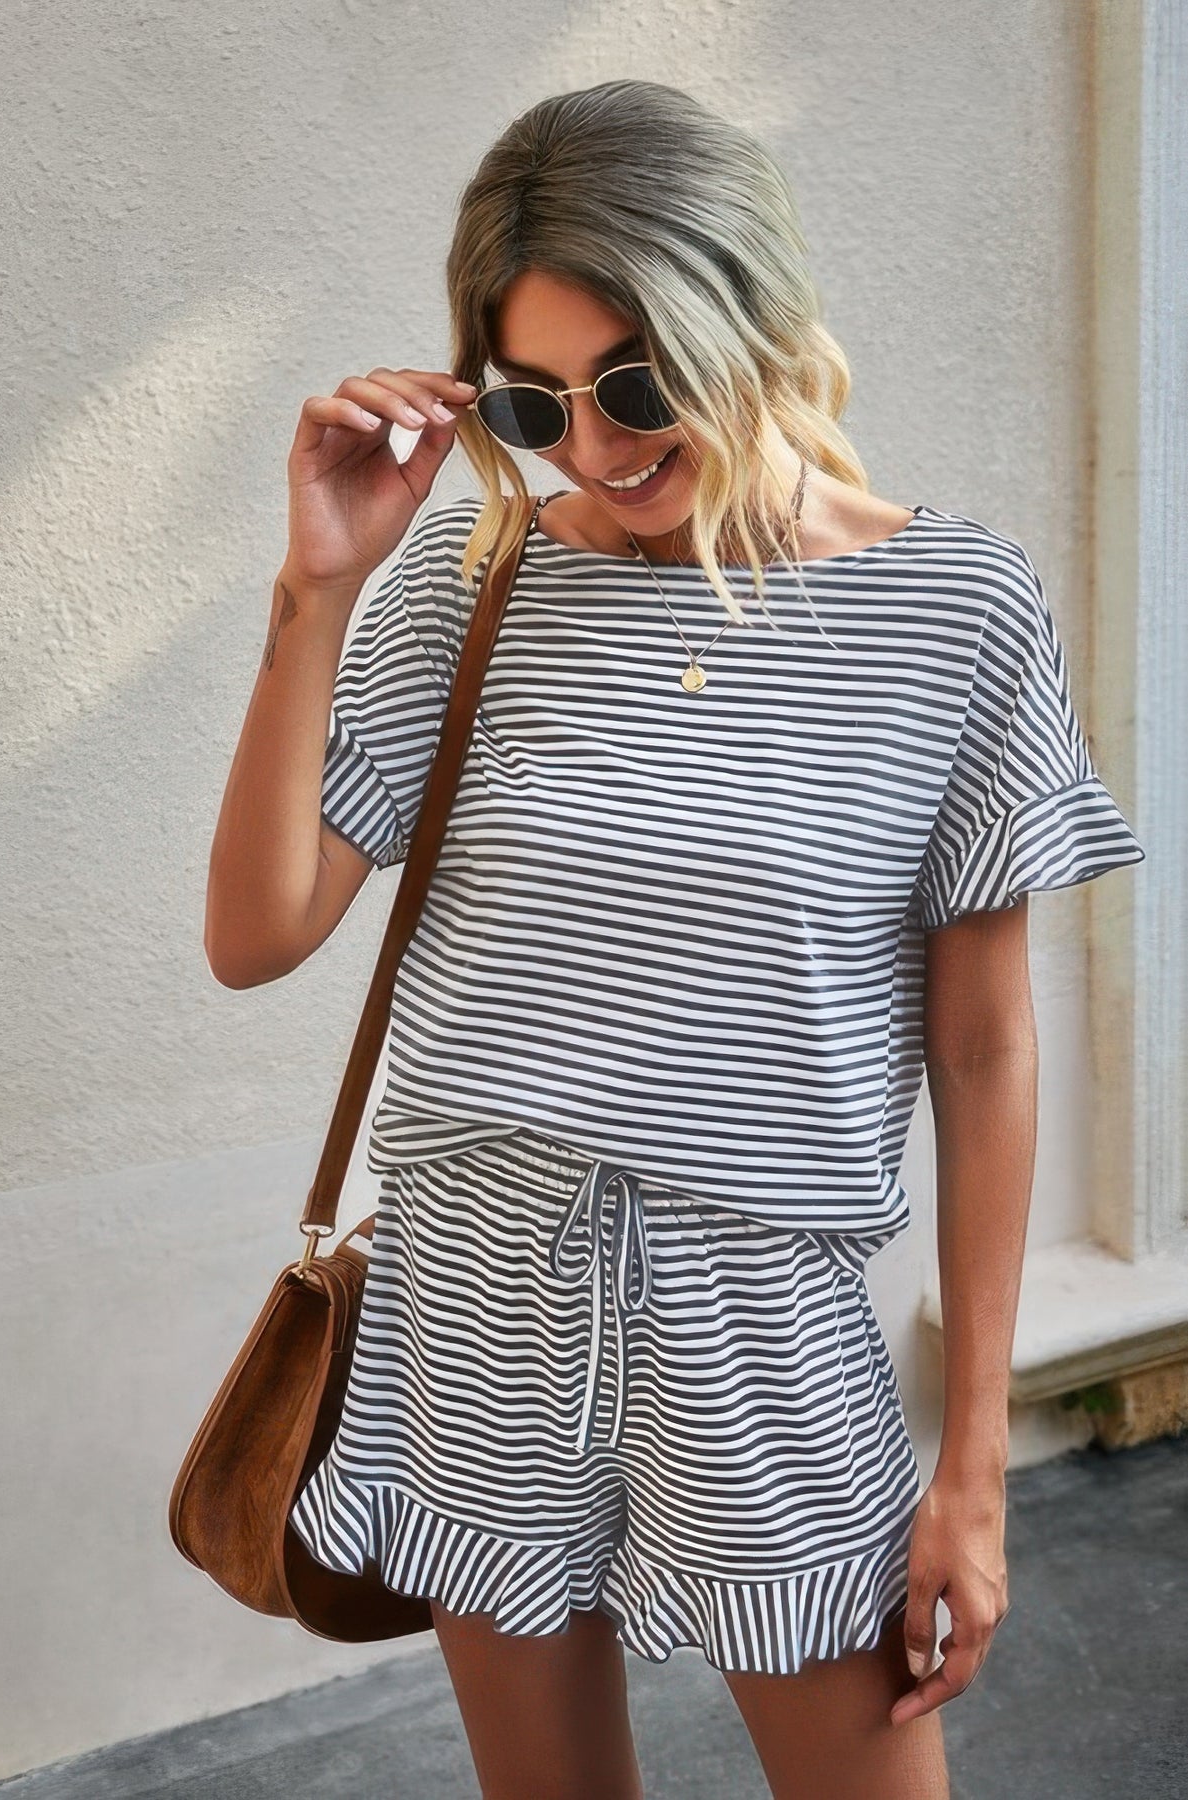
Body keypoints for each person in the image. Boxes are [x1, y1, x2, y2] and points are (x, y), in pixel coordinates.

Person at [205, 79, 1145, 1800]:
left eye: (635, 381)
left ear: (751, 316)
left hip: (760, 1316)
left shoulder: (951, 609)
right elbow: (255, 937)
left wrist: (971, 1469)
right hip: (475, 1285)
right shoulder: (470, 582)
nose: (596, 445)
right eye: (533, 403)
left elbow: (983, 1047)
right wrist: (316, 590)